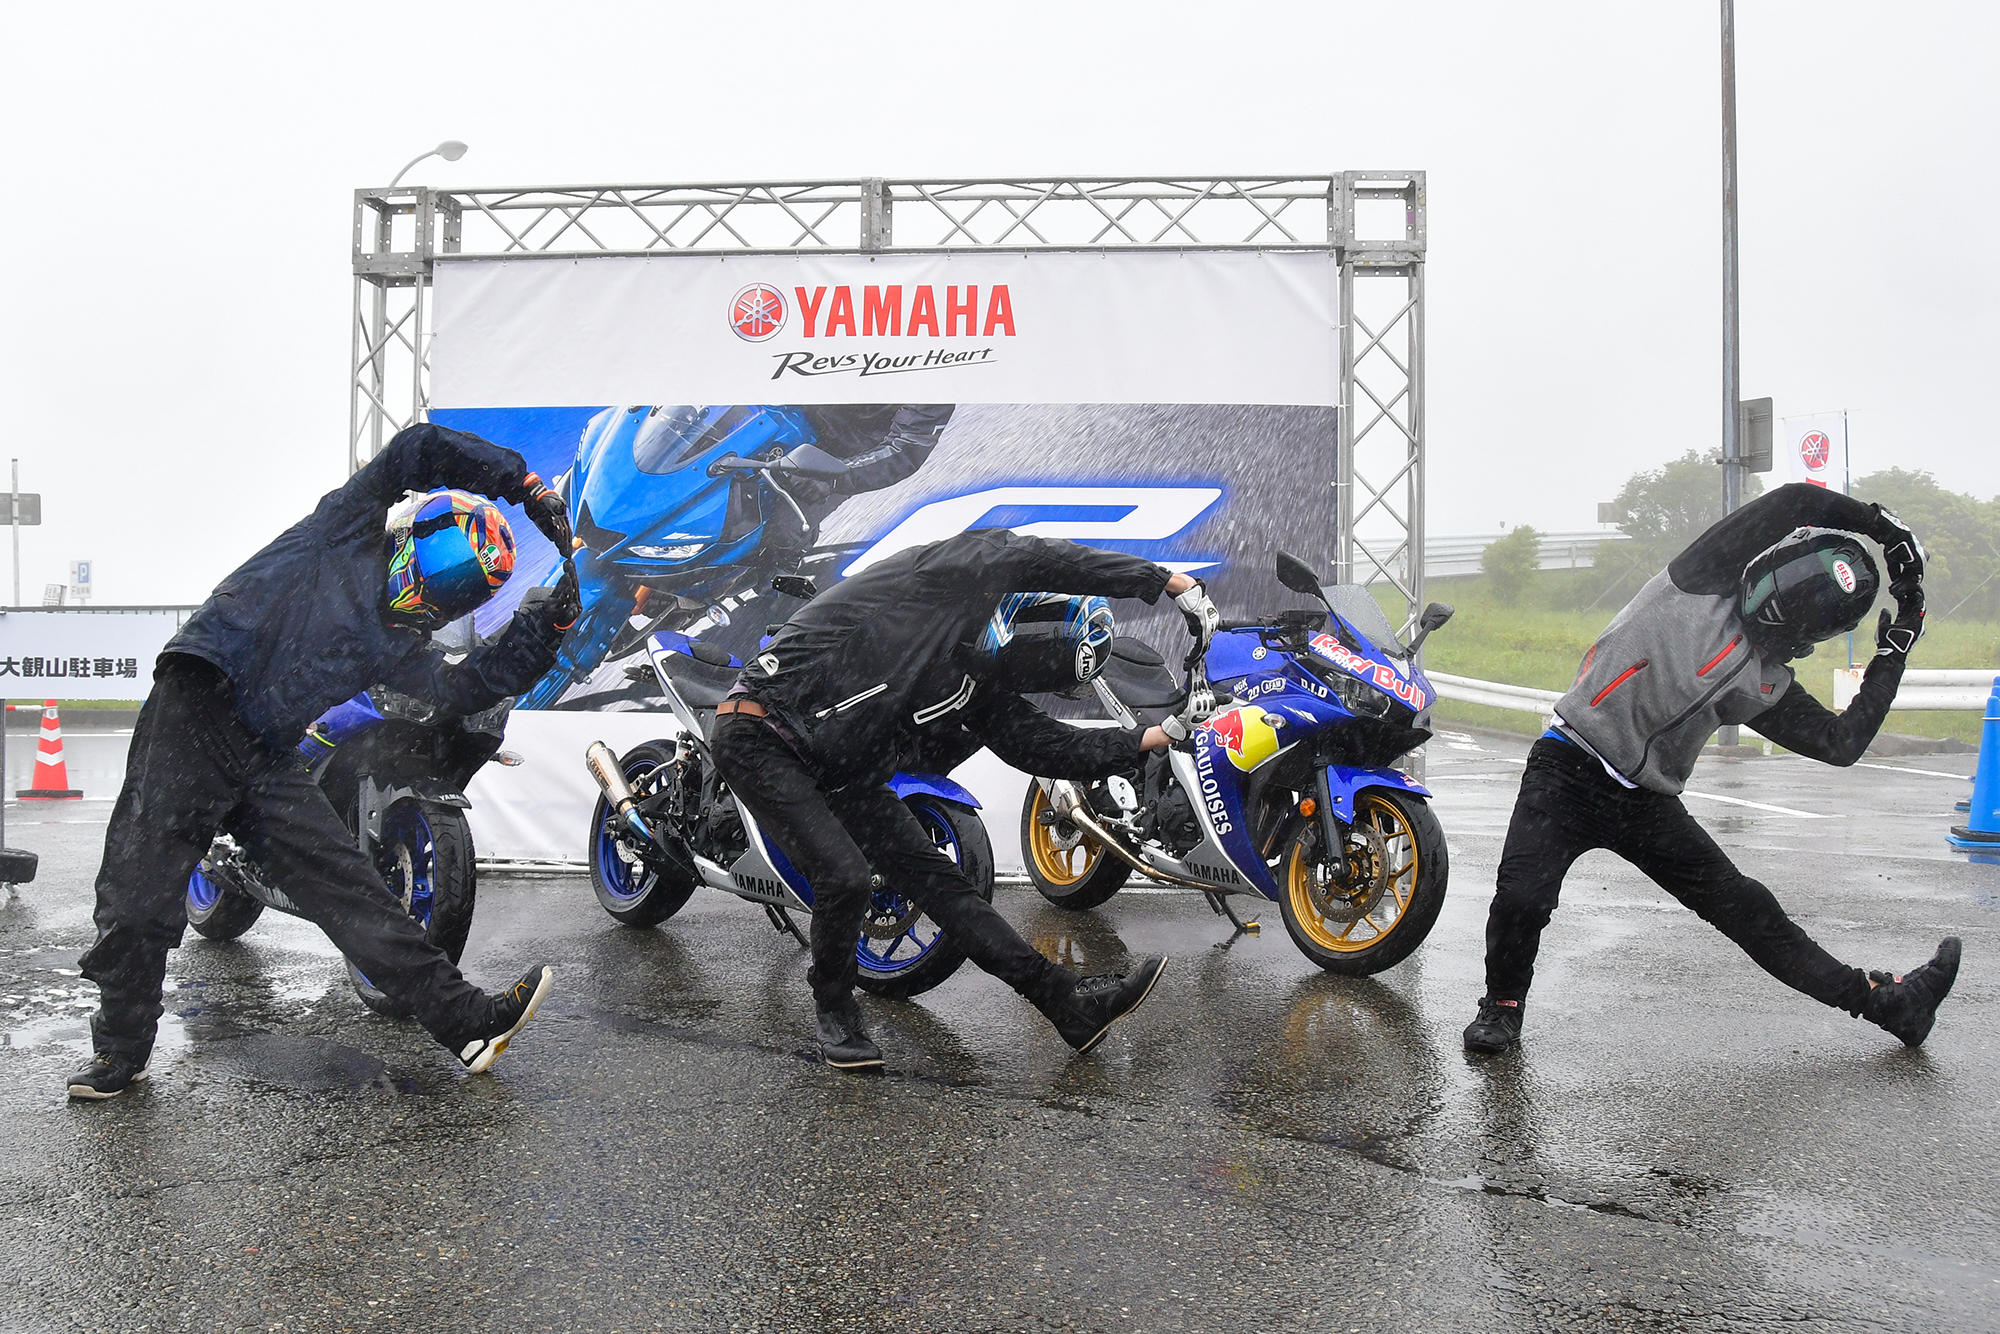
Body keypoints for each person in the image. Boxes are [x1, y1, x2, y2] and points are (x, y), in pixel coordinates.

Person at [68, 423, 582, 1100]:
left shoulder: (396, 640)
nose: (445, 589)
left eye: (465, 590)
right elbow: (416, 448)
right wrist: (522, 482)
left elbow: (458, 687)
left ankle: (468, 1024)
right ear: (416, 535)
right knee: (138, 895)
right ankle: (121, 1054)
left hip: (265, 752)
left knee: (353, 890)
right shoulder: (346, 529)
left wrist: (541, 632)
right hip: (196, 705)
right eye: (450, 562)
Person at [1463, 482, 1960, 1056]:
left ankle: (1891, 1005)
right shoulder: (1701, 579)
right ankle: (1502, 1007)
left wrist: (1891, 655)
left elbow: (1840, 742)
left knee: (1751, 913)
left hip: (1644, 802)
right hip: (1568, 764)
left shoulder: (1766, 679)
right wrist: (1881, 526)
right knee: (1523, 898)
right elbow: (1794, 500)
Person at [707, 527, 1222, 1070]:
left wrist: (1160, 734)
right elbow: (1028, 554)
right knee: (845, 877)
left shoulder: (978, 682)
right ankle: (834, 1010)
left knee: (947, 889)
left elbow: (1048, 746)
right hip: (762, 731)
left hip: (843, 772)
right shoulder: (939, 578)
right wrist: (1161, 580)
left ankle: (1067, 1004)